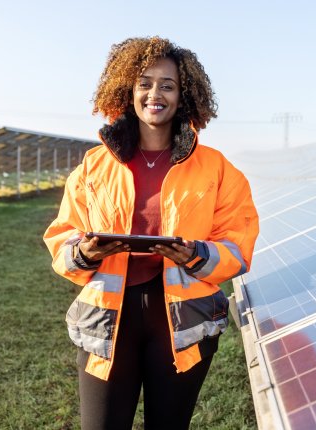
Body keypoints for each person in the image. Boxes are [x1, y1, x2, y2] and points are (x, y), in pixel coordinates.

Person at [43, 36, 259, 429]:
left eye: (167, 85)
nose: (154, 93)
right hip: (107, 322)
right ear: (128, 89)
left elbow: (238, 246)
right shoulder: (94, 165)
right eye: (144, 82)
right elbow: (62, 236)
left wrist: (196, 253)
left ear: (184, 95)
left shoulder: (217, 169)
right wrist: (86, 251)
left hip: (183, 323)